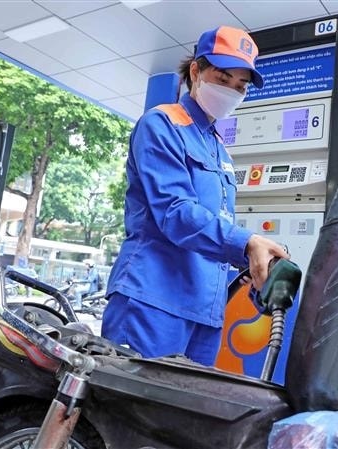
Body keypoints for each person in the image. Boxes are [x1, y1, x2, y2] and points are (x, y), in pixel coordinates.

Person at [101, 26, 289, 366]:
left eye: (241, 85)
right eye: (223, 77)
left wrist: (254, 264)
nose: (231, 90)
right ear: (195, 71)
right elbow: (176, 212)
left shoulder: (219, 149)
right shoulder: (162, 124)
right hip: (153, 300)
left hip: (206, 313)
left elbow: (217, 229)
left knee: (189, 402)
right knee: (134, 400)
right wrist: (247, 243)